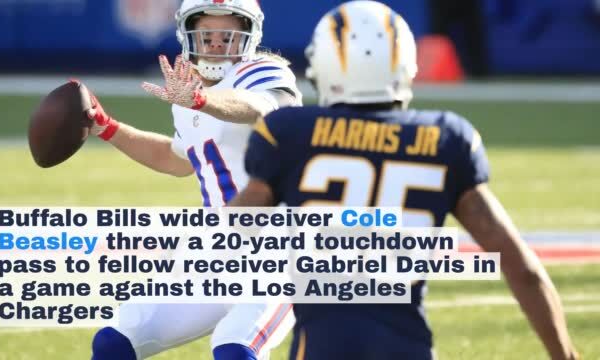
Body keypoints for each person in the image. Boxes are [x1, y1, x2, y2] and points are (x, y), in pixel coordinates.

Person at [228, 1, 579, 359]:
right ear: (405, 66)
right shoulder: (445, 139)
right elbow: (522, 269)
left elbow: (236, 231)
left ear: (324, 67)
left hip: (322, 347)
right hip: (406, 347)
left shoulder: (289, 133)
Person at [87, 0, 301, 359]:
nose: (216, 44)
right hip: (214, 250)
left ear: (249, 37)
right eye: (207, 34)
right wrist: (107, 128)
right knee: (114, 342)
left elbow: (259, 107)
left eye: (228, 35)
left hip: (278, 250)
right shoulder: (189, 95)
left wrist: (203, 100)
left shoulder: (262, 73)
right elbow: (176, 159)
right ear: (188, 36)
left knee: (234, 350)